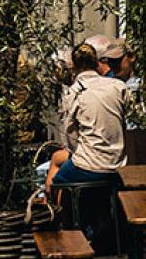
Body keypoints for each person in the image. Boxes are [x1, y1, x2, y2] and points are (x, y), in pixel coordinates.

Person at [47, 43, 128, 190]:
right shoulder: (118, 86)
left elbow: (70, 137)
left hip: (89, 165)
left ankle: (57, 210)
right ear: (97, 63)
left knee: (57, 181)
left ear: (74, 67)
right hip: (117, 162)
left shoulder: (74, 92)